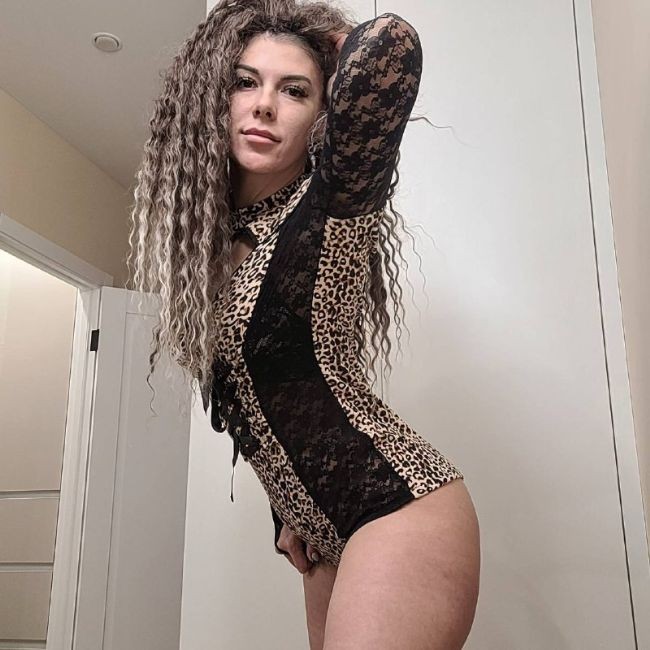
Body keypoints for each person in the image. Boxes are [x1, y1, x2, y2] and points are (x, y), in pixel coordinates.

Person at [127, 0, 480, 647]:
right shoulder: (218, 250)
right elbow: (268, 395)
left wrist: (320, 36)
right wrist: (286, 508)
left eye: (294, 91)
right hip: (322, 538)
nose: (264, 105)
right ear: (212, 99)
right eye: (245, 82)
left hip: (394, 508)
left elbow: (391, 43)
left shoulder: (331, 207)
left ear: (323, 115)